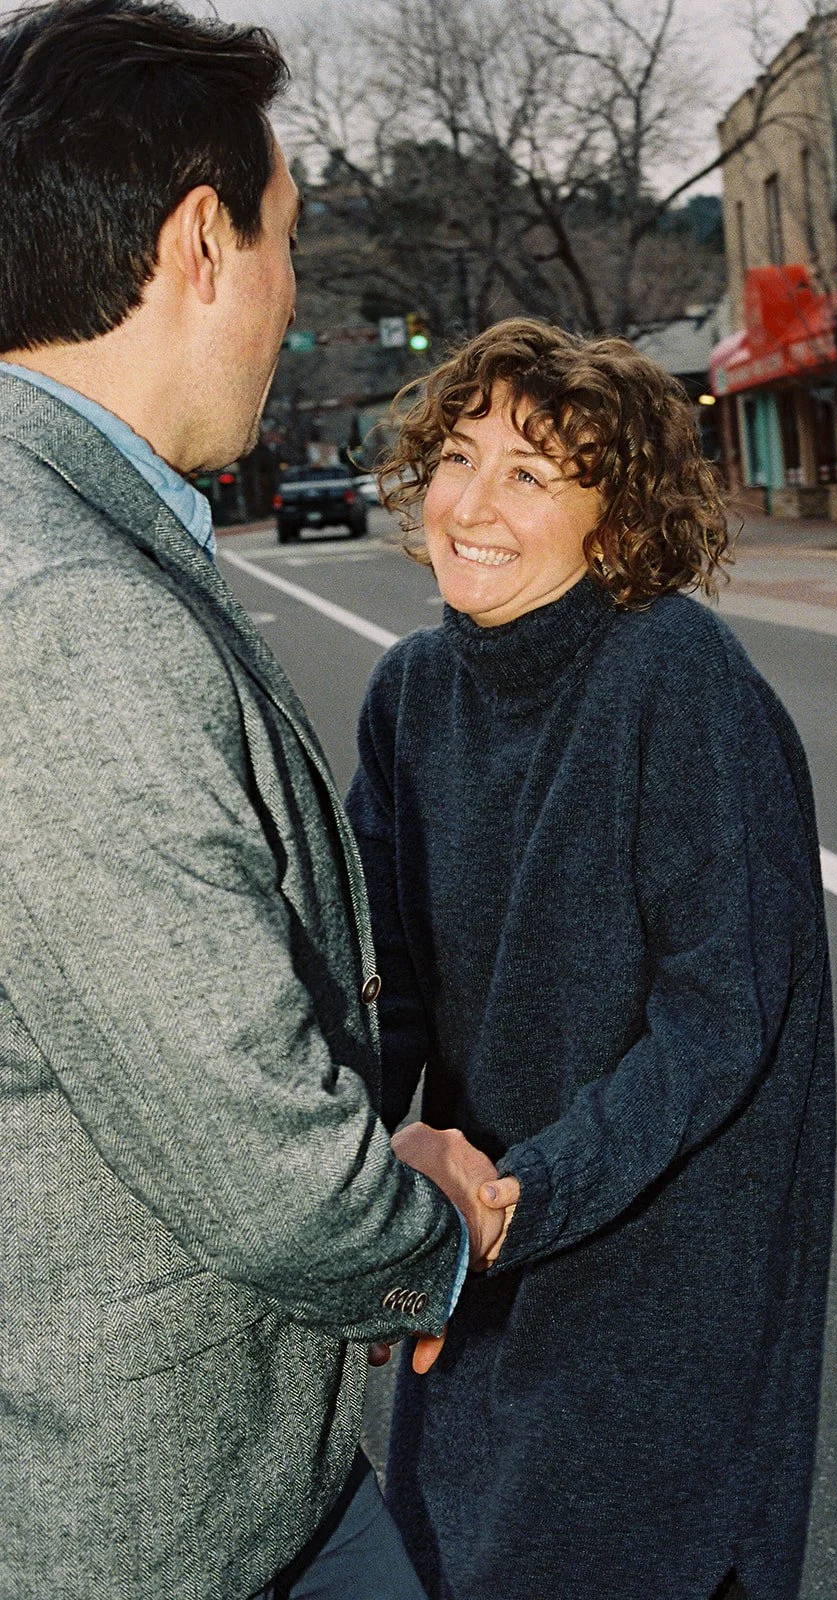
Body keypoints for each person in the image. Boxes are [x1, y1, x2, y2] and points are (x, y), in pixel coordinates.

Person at [0, 4, 494, 1597]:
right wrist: (426, 1235)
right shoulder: (66, 614)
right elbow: (265, 1167)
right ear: (201, 239)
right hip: (159, 1515)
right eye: (286, 234)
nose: (292, 292)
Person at [346, 319, 837, 1600]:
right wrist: (341, 1181)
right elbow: (380, 987)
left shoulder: (673, 676)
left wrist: (525, 1197)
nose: (470, 503)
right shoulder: (411, 694)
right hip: (491, 1231)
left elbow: (719, 1018)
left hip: (658, 1258)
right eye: (459, 456)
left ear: (616, 526)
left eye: (531, 474)